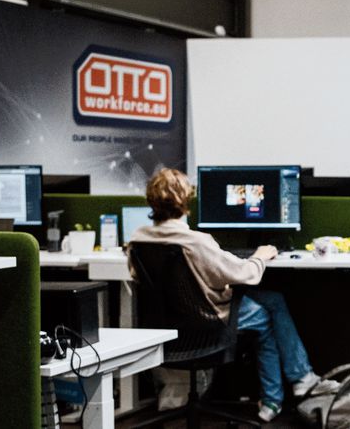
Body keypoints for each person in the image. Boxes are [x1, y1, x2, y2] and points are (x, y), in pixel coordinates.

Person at [129, 168, 338, 422]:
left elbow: (139, 276)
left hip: (171, 325)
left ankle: (289, 389)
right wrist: (260, 255)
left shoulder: (137, 240)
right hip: (207, 321)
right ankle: (281, 393)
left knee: (273, 300)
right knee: (265, 317)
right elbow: (244, 274)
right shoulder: (196, 242)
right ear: (184, 201)